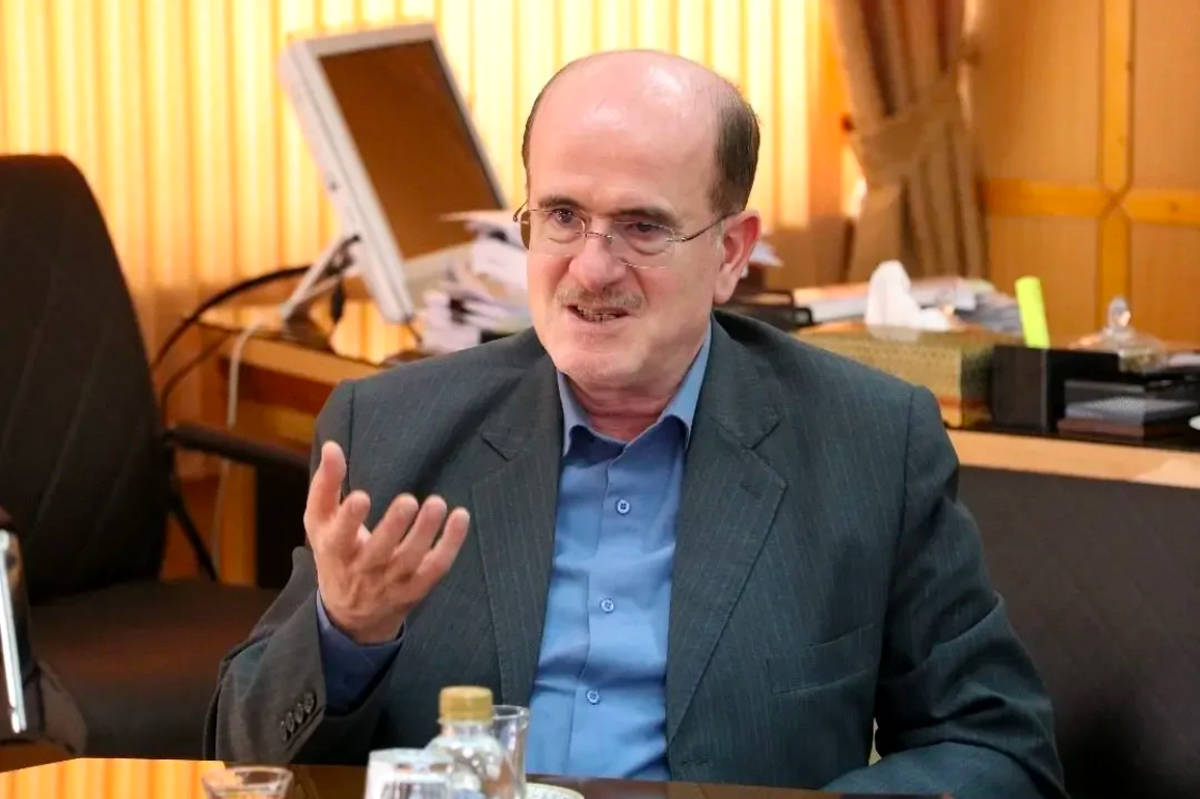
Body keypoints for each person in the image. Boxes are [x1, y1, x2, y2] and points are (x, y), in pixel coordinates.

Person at [207, 50, 1065, 798]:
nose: (591, 268)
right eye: (562, 216)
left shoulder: (868, 442)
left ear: (731, 252)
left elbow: (998, 749)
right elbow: (240, 755)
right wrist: (345, 632)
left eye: (642, 226)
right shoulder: (391, 428)